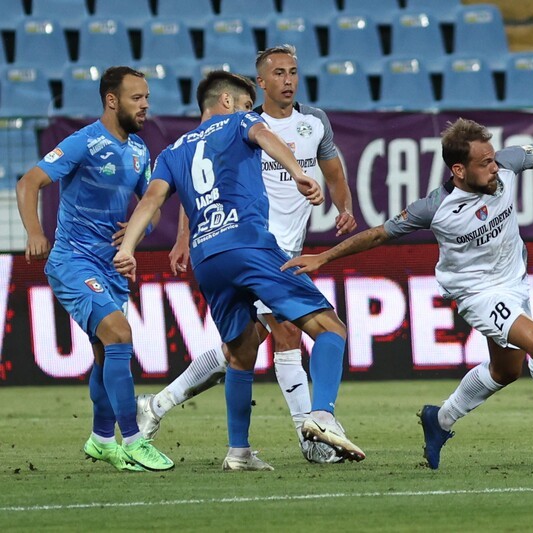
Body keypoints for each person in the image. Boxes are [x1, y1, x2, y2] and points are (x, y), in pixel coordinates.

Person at [283, 118, 533, 469]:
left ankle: (439, 420)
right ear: (459, 170)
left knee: (506, 371)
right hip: (475, 293)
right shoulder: (434, 208)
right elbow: (380, 233)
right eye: (484, 163)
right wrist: (325, 257)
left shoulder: (507, 165)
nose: (494, 168)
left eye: (493, 159)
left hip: (513, 281)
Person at [113, 71, 365, 471]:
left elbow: (150, 202)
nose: (253, 113)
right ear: (228, 103)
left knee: (242, 352)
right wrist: (299, 172)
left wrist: (128, 249)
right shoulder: (240, 121)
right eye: (248, 105)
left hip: (207, 259)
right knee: (330, 328)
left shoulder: (173, 151)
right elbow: (265, 137)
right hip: (247, 244)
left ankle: (239, 452)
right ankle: (320, 417)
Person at [15, 66, 174, 472]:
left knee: (107, 354)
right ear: (111, 101)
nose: (145, 105)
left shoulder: (139, 151)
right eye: (137, 98)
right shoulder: (83, 142)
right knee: (120, 333)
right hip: (72, 260)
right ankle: (135, 442)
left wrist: (136, 230)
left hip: (110, 267)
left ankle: (102, 439)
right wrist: (35, 232)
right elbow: (28, 182)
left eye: (147, 98)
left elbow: (151, 208)